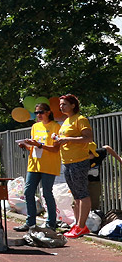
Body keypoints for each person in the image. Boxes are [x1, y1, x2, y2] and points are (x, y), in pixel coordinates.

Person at [14, 103, 61, 231]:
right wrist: (26, 145)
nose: (38, 115)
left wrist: (39, 145)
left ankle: (51, 223)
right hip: (34, 164)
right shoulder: (35, 126)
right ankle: (30, 223)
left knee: (47, 193)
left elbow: (56, 148)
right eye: (36, 113)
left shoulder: (56, 127)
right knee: (28, 192)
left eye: (41, 112)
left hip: (49, 165)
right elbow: (34, 145)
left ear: (48, 112)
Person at [56, 94, 95, 238]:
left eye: (64, 104)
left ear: (73, 105)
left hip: (79, 161)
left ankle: (81, 226)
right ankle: (77, 225)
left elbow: (88, 138)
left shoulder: (80, 119)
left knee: (82, 193)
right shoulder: (66, 121)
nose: (61, 106)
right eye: (61, 104)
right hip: (67, 161)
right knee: (76, 194)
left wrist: (67, 139)